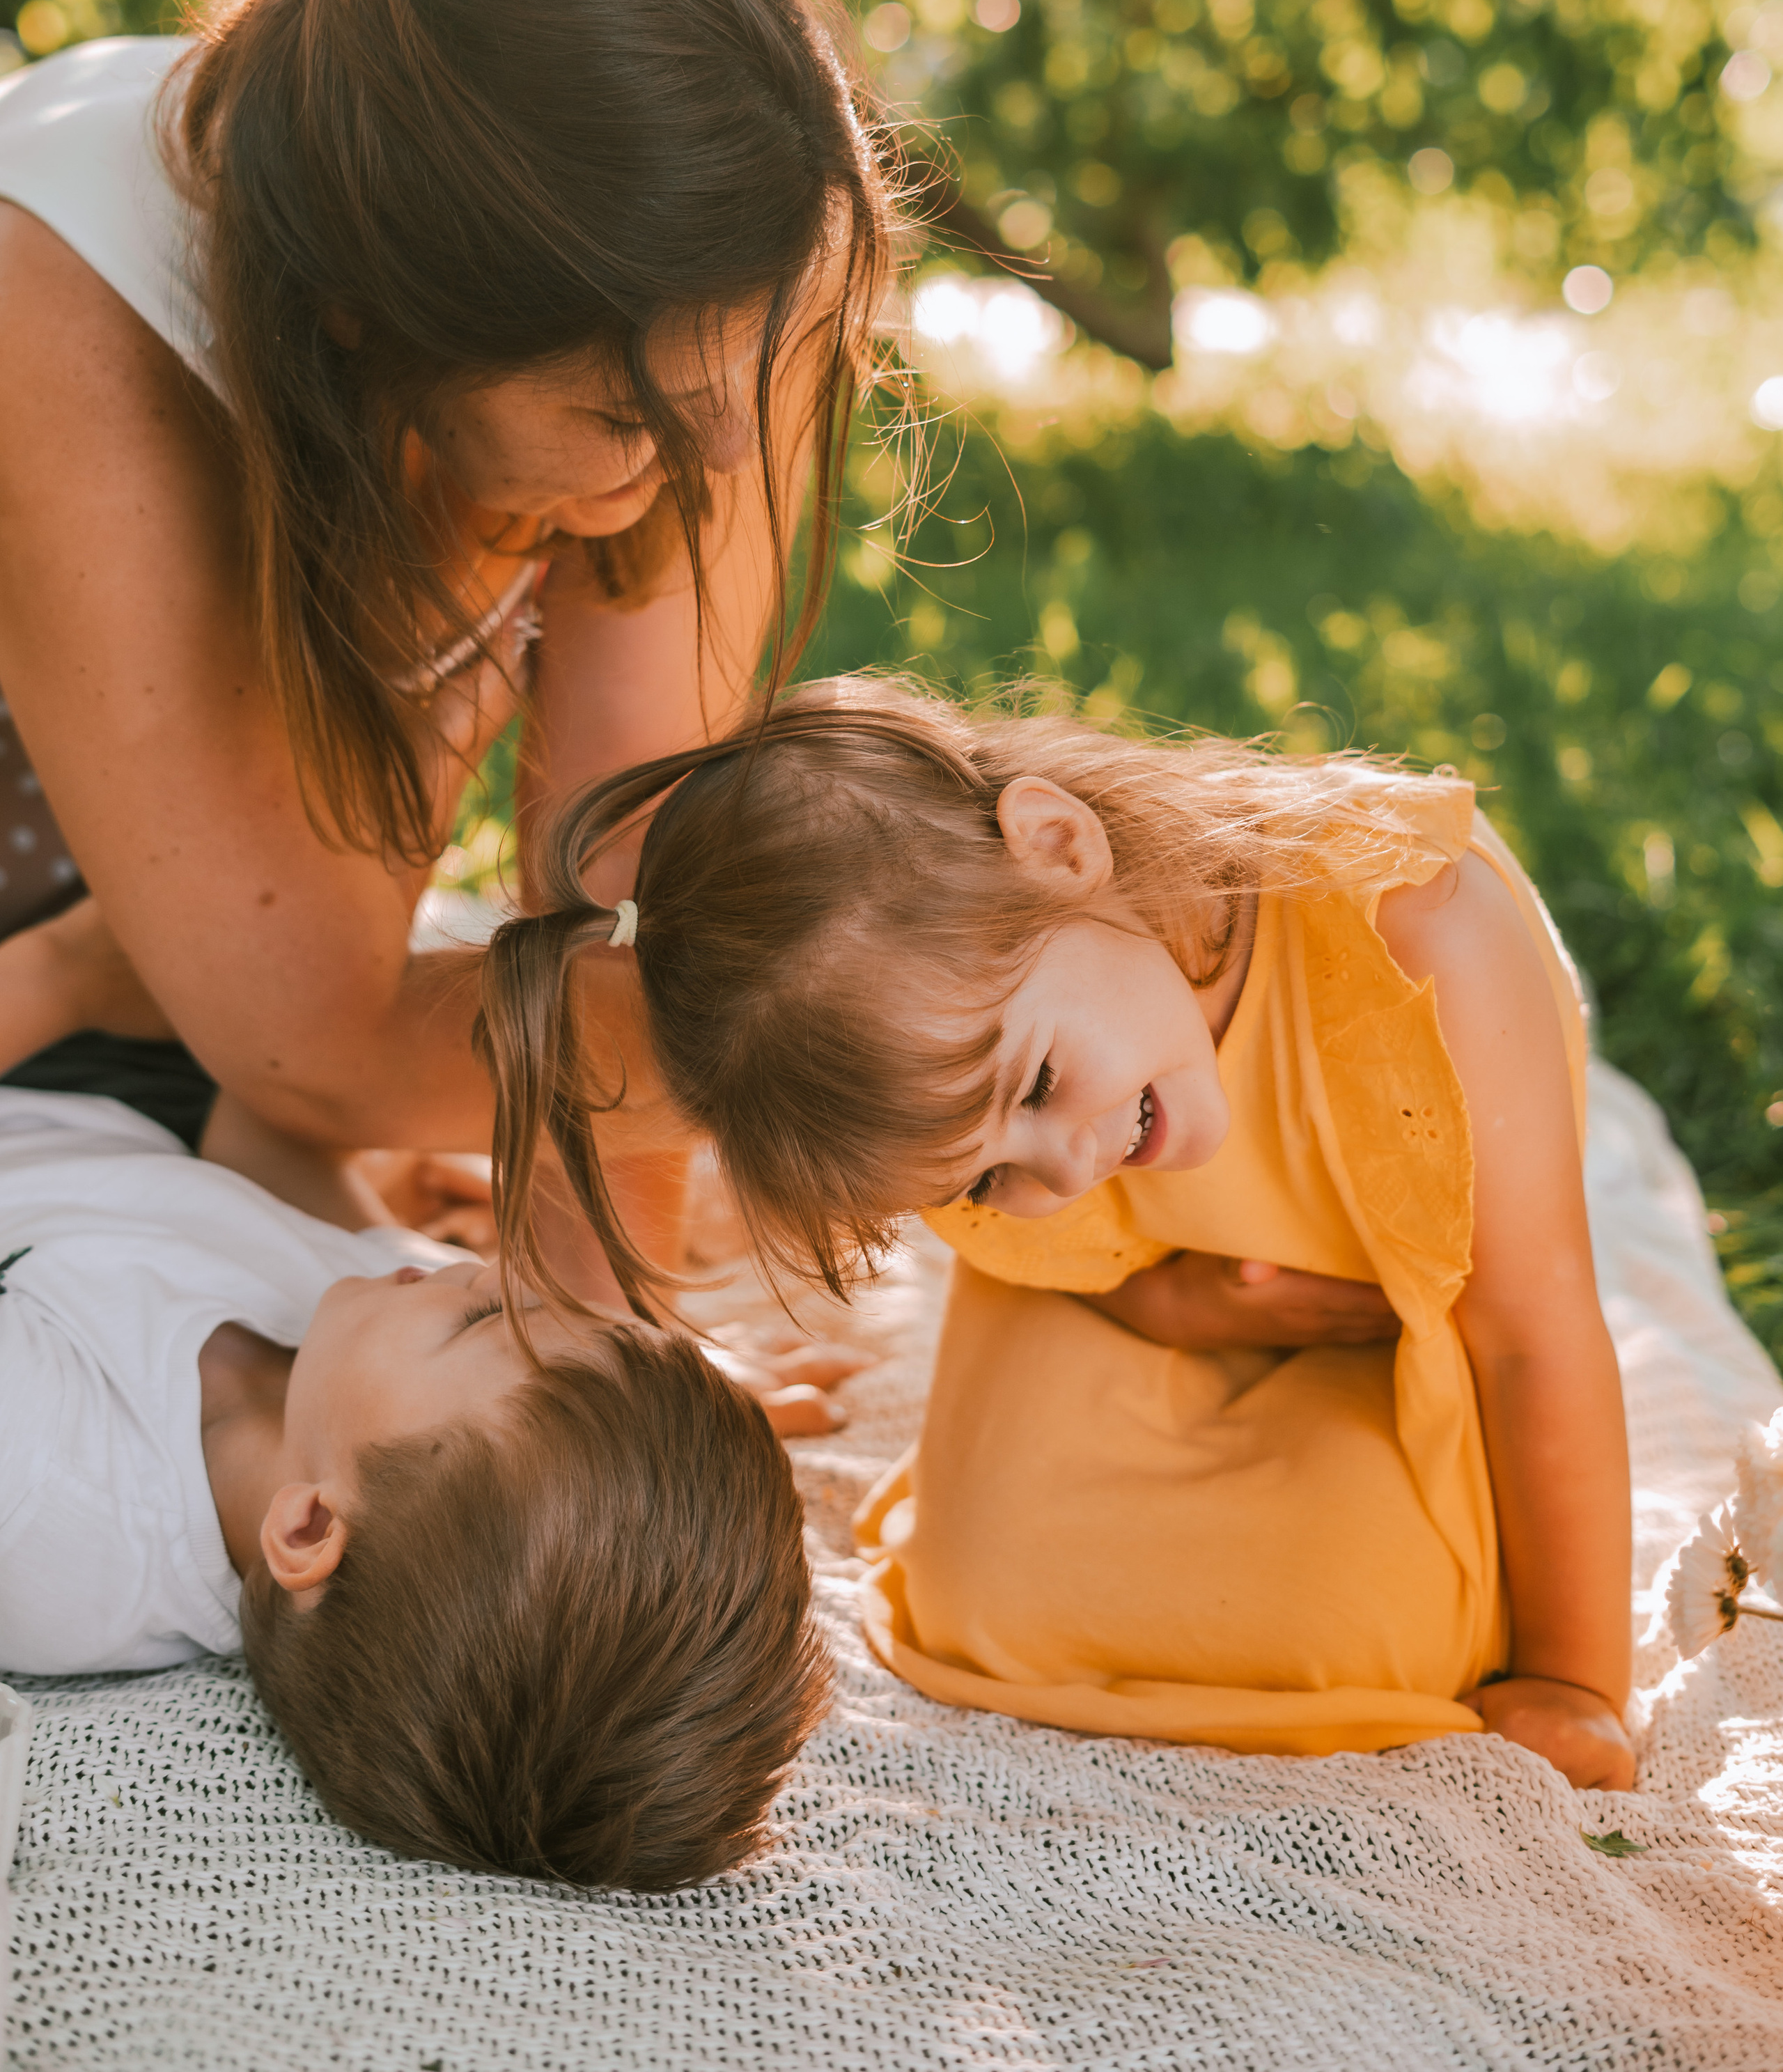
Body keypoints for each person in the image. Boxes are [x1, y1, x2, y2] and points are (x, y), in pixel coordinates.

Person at [477, 677, 1637, 1791]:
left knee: (1377, 1619)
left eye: (1036, 1085)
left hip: (1428, 1329)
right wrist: (1171, 1303)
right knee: (982, 1592)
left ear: (1062, 848)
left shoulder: (1415, 931)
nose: (1068, 1168)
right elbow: (1068, 1248)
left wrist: (1572, 1677)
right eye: (982, 1179)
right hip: (1150, 1294)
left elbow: (1532, 1334)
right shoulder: (973, 1080)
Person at [0, 0, 891, 1268]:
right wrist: (866, 1046)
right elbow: (316, 1040)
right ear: (364, 320)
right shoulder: (63, 316)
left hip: (212, 960)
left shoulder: (709, 255)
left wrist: (598, 1316)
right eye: (621, 415)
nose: (725, 462)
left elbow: (628, 877)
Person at [0, 899, 827, 1892]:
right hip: (108, 1119)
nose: (505, 1271)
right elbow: (268, 1141)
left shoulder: (50, 1503)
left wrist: (66, 970)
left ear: (307, 1531)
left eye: (481, 1322)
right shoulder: (353, 1389)